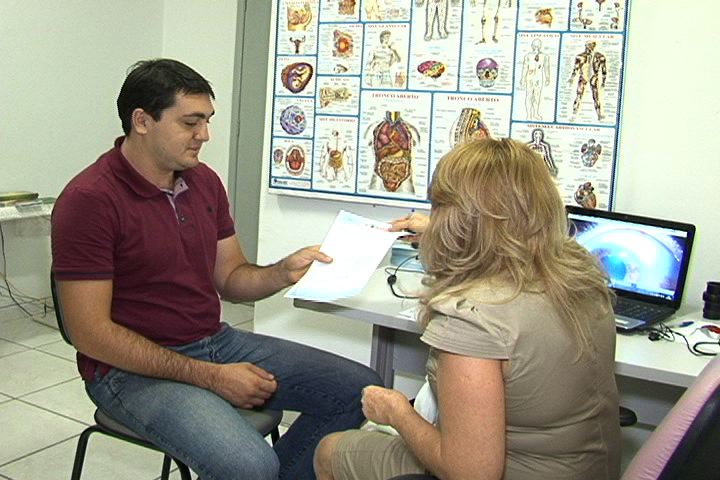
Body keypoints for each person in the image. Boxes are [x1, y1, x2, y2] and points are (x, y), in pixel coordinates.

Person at [51, 58, 382, 480]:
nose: (204, 135)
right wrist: (211, 377)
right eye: (191, 123)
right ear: (142, 121)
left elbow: (231, 279)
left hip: (212, 342)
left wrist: (282, 271)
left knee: (360, 391)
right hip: (128, 371)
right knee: (249, 465)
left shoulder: (203, 181)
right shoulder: (90, 200)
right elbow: (90, 334)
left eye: (207, 121)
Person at [314, 138, 620, 479]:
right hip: (590, 469)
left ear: (456, 221)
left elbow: (471, 473)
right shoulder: (580, 273)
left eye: (439, 210)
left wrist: (397, 412)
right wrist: (440, 233)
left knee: (330, 450)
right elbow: (501, 241)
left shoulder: (473, 319)